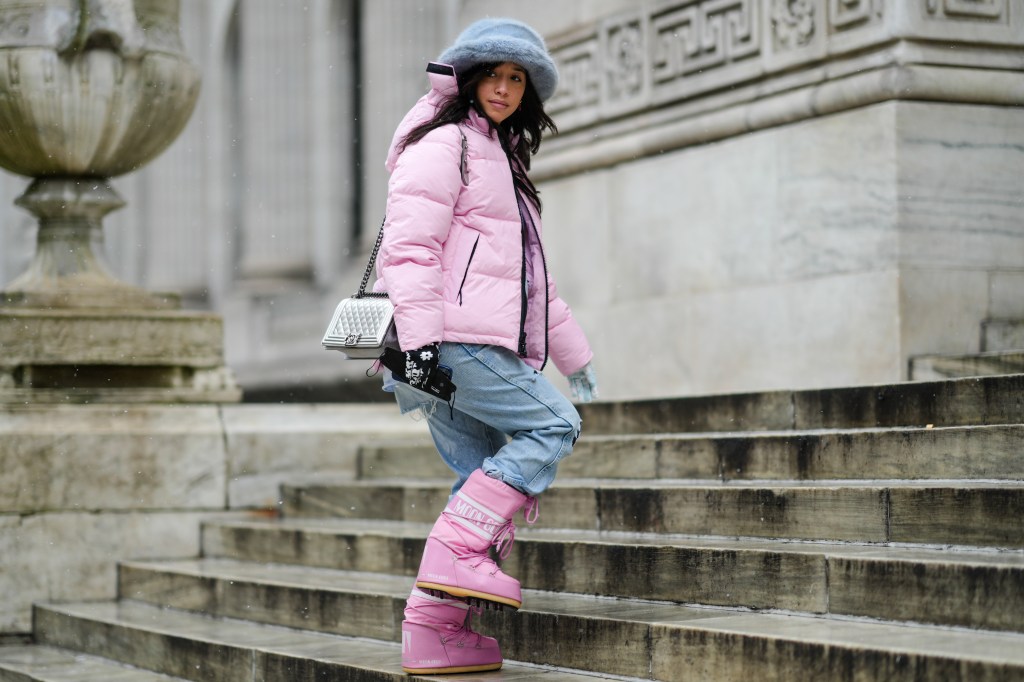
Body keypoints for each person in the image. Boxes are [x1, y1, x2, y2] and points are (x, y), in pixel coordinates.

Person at [374, 17, 598, 675]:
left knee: (479, 483)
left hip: (450, 344)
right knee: (554, 425)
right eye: (494, 74)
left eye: (516, 77)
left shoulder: (502, 158)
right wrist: (417, 344)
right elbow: (409, 250)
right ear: (469, 77)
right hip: (449, 343)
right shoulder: (446, 144)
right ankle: (455, 557)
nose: (503, 88)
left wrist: (575, 356)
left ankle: (433, 631)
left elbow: (533, 282)